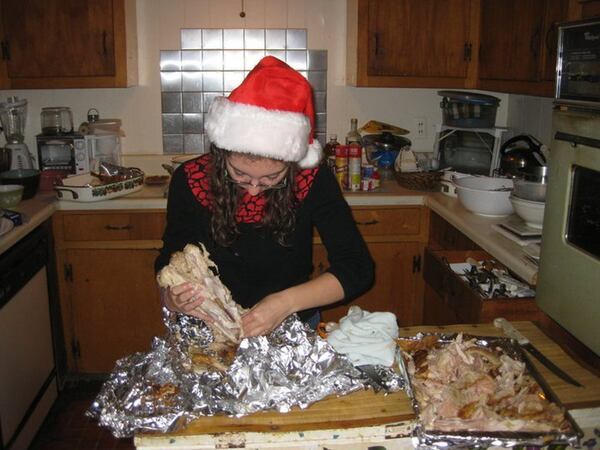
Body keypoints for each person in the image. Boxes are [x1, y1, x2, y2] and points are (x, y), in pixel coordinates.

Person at [155, 56, 374, 337]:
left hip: (291, 326)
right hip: (211, 330)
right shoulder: (190, 179)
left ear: (293, 163)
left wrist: (285, 303)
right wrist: (172, 297)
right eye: (240, 175)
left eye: (272, 178)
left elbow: (357, 268)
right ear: (223, 155)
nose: (255, 189)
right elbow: (169, 258)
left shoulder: (313, 180)